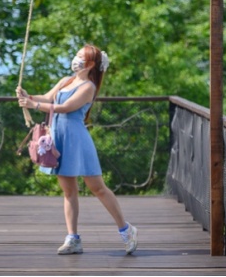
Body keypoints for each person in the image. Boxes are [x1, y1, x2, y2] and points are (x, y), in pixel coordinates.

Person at [16, 44, 138, 255]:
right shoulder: (66, 81)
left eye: (80, 56)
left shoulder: (88, 87)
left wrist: (32, 105)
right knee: (69, 191)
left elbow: (65, 108)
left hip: (78, 141)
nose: (75, 59)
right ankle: (73, 238)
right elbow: (47, 98)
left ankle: (126, 230)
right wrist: (29, 97)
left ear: (90, 64)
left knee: (97, 188)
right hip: (59, 139)